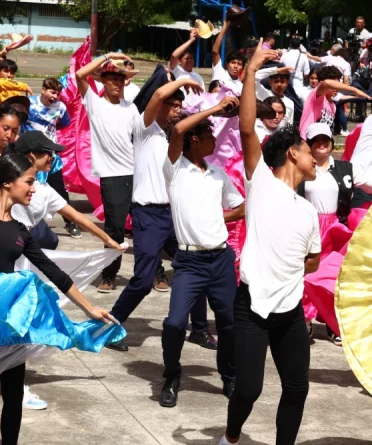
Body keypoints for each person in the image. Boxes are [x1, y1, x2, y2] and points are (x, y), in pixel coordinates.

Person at [0, 153, 117, 445]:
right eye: (29, 182)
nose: (33, 189)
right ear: (7, 182)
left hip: (9, 322)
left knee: (13, 396)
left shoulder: (20, 232)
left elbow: (54, 273)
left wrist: (90, 309)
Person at [221, 41, 320, 445]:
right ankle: (230, 437)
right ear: (293, 152)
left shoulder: (309, 211)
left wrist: (291, 275)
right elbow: (247, 127)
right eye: (311, 152)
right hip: (253, 309)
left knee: (297, 388)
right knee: (248, 389)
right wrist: (251, 71)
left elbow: (311, 260)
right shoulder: (260, 181)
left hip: (290, 312)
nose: (317, 159)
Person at [107, 78, 218, 353]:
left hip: (175, 215)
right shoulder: (145, 130)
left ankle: (200, 329)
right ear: (157, 108)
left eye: (180, 106)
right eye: (173, 105)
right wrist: (181, 79)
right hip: (148, 214)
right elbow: (157, 93)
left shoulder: (175, 138)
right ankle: (111, 327)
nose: (177, 110)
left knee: (196, 265)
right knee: (144, 280)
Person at [159, 90, 245, 408]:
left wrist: (216, 217)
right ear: (196, 140)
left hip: (220, 258)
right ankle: (171, 375)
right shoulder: (175, 169)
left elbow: (239, 207)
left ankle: (229, 376)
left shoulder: (219, 174)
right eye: (209, 134)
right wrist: (217, 108)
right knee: (174, 323)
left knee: (229, 323)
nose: (214, 140)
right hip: (190, 261)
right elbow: (179, 129)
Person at [298, 122, 372, 343]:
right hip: (308, 227)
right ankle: (305, 320)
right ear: (308, 144)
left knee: (335, 276)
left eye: (325, 140)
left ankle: (333, 324)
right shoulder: (299, 168)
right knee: (305, 273)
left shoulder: (345, 169)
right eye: (316, 140)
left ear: (331, 142)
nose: (321, 144)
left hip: (335, 228)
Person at [75, 52, 140, 292]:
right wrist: (108, 56)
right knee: (115, 229)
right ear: (102, 81)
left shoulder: (132, 109)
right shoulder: (95, 103)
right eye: (111, 78)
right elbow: (80, 74)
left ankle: (155, 273)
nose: (116, 83)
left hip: (137, 173)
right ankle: (109, 275)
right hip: (112, 176)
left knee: (146, 226)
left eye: (120, 79)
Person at [22, 77, 82, 238]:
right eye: (52, 92)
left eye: (58, 93)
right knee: (26, 189)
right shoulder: (28, 104)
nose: (55, 96)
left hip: (50, 157)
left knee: (60, 190)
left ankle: (70, 222)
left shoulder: (60, 107)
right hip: (29, 157)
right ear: (43, 90)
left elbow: (63, 123)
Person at [299, 66, 370, 137]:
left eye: (338, 86)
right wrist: (354, 90)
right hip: (305, 141)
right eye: (334, 85)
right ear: (321, 83)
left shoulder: (333, 106)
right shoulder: (315, 96)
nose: (336, 89)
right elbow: (326, 83)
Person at [211, 19, 244, 94]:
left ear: (242, 67)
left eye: (239, 64)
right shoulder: (220, 72)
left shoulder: (241, 87)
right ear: (227, 64)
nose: (235, 66)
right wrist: (225, 26)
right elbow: (215, 51)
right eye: (233, 62)